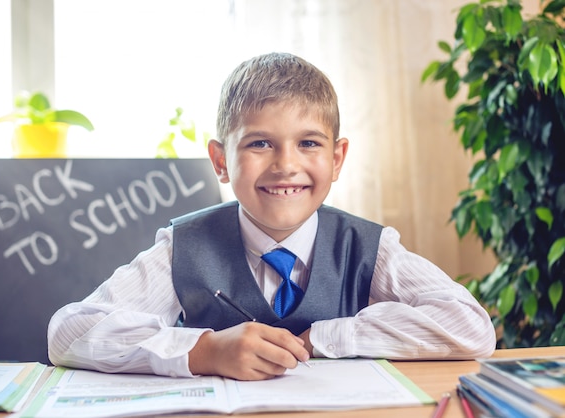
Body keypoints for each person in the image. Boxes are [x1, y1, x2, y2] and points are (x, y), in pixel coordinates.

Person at [48, 52, 496, 381]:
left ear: (337, 159)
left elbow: (470, 325)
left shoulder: (368, 247)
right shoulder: (183, 245)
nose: (286, 165)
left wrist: (320, 340)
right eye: (260, 143)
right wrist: (203, 351)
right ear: (221, 161)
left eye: (309, 143)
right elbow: (69, 330)